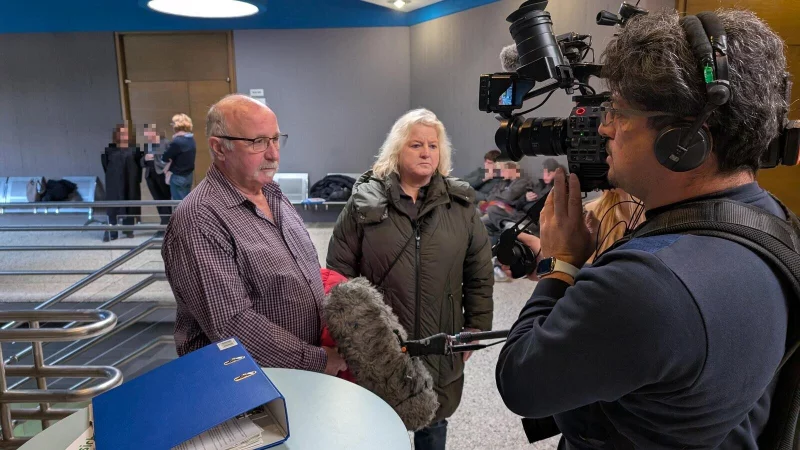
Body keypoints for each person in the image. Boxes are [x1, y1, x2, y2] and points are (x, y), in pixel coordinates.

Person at [495, 9, 791, 449]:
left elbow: (521, 383)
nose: (603, 127)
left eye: (617, 111)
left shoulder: (648, 284)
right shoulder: (773, 219)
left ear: (684, 141)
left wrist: (558, 264)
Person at [326, 108, 493, 450]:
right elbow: (337, 274)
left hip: (440, 339)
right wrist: (343, 336)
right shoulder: (365, 202)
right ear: (397, 150)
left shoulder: (460, 206)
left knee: (433, 421)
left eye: (433, 145)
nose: (426, 152)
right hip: (379, 344)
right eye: (416, 144)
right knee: (377, 427)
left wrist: (477, 327)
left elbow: (479, 273)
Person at [161, 94, 347, 376]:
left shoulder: (272, 194)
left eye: (275, 139)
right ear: (219, 147)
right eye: (257, 142)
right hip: (245, 386)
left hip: (299, 374)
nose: (273, 153)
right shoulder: (199, 218)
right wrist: (318, 360)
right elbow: (232, 326)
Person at [101, 122, 142, 242]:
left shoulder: (135, 149)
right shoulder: (110, 149)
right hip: (114, 183)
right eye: (121, 133)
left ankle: (128, 230)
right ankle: (112, 231)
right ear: (117, 135)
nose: (124, 135)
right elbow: (105, 165)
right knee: (113, 206)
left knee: (130, 204)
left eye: (126, 133)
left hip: (130, 181)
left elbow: (140, 166)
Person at [141, 124, 172, 229]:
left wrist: (155, 159)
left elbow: (171, 159)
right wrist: (145, 158)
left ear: (155, 132)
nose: (147, 135)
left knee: (165, 199)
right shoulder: (147, 145)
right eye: (146, 133)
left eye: (149, 132)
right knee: (157, 199)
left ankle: (167, 223)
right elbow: (141, 162)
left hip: (161, 174)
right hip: (149, 175)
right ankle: (164, 222)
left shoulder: (166, 142)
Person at [161, 113, 197, 200]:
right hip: (188, 175)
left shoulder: (177, 142)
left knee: (178, 204)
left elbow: (164, 158)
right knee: (186, 202)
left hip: (178, 176)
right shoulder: (191, 140)